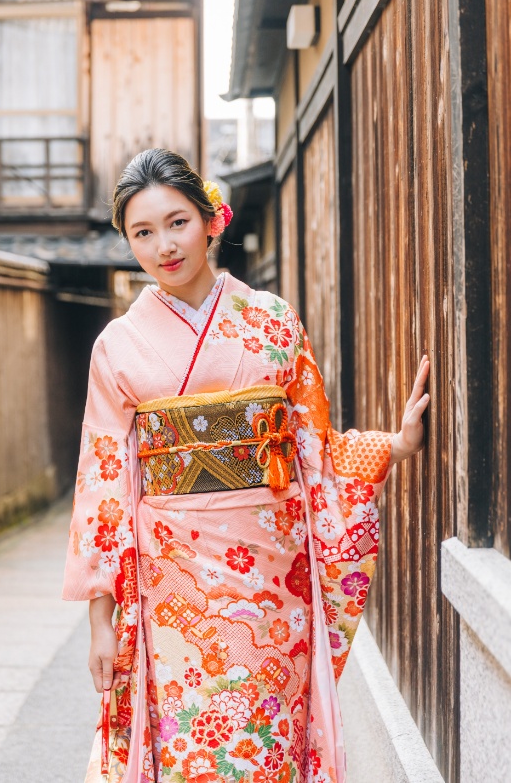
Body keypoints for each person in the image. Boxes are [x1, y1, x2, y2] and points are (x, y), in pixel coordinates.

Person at [62, 148, 430, 783]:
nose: (163, 246)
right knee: (189, 744)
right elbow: (103, 485)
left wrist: (393, 445)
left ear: (211, 219)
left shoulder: (272, 322)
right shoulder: (117, 347)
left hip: (270, 576)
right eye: (142, 233)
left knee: (267, 741)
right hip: (171, 586)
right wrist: (101, 621)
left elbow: (314, 447)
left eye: (177, 222)